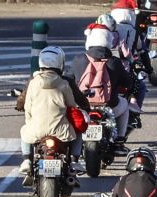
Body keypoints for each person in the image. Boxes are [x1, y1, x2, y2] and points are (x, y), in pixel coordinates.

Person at [17, 47, 84, 175]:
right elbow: (72, 106)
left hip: (36, 131)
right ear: (60, 63)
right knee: (78, 132)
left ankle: (27, 160)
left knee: (24, 130)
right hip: (61, 130)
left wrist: (30, 122)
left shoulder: (33, 83)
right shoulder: (64, 83)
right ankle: (75, 161)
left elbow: (28, 107)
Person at [80, 24, 135, 141]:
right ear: (108, 40)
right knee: (125, 105)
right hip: (109, 105)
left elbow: (70, 81)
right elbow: (127, 83)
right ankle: (120, 139)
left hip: (84, 106)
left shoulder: (78, 60)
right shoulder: (114, 62)